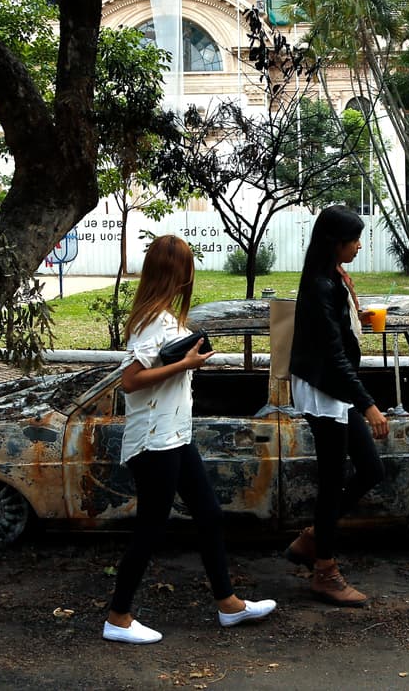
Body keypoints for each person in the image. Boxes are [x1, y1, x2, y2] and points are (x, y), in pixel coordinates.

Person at [104, 235, 275, 645]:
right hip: (154, 442)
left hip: (175, 436)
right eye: (189, 265)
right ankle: (118, 617)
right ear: (178, 272)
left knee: (209, 514)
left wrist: (185, 363)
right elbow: (130, 381)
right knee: (151, 527)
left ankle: (228, 604)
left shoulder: (161, 317)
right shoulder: (155, 321)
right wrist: (186, 363)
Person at [283, 205, 387, 607]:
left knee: (370, 470)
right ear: (335, 243)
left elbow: (336, 334)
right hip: (325, 388)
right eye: (354, 239)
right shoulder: (318, 284)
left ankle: (312, 539)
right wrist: (368, 405)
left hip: (336, 385)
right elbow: (333, 354)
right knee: (331, 480)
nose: (359, 245)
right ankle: (324, 571)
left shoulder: (332, 278)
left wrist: (353, 318)